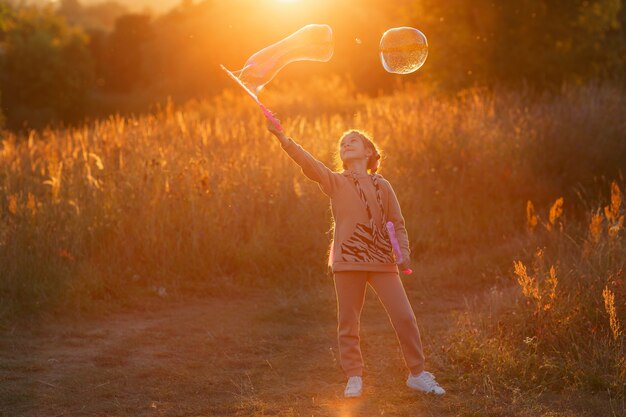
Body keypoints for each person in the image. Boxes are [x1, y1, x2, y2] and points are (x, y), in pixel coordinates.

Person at [266, 120, 445, 398]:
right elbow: (309, 163)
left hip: (382, 260)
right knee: (348, 322)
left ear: (369, 151)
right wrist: (282, 138)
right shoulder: (335, 181)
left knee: (405, 318)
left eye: (353, 140)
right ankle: (354, 376)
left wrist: (402, 255)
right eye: (342, 142)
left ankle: (417, 374)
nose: (346, 143)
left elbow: (396, 223)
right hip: (348, 259)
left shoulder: (382, 185)